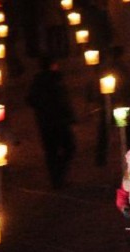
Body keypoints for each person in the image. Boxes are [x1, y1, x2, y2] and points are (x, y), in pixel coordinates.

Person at [26, 57, 76, 189]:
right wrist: (70, 116)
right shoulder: (56, 80)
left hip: (44, 123)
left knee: (51, 152)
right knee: (69, 147)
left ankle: (56, 179)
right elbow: (62, 101)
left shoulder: (37, 82)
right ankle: (59, 176)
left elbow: (30, 100)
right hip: (58, 122)